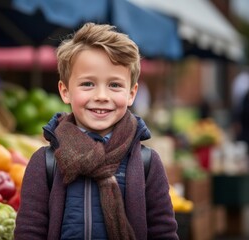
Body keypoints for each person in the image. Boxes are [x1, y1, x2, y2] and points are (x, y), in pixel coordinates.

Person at [14, 22, 178, 240]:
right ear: (65, 91)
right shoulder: (45, 163)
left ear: (131, 93)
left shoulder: (147, 163)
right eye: (88, 84)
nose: (101, 95)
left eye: (114, 85)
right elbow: (29, 232)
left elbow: (163, 232)